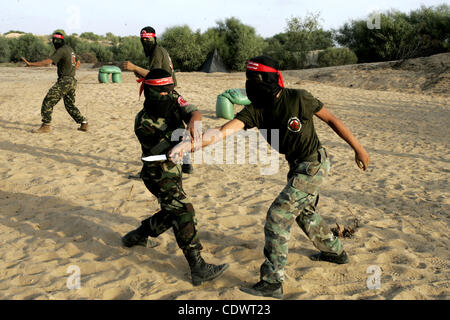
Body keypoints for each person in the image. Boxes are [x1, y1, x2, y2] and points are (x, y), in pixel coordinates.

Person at [168, 56, 370, 299]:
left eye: (257, 78)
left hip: (314, 164)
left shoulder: (298, 98)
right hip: (296, 166)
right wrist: (190, 145)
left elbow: (332, 120)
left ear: (271, 79)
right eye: (249, 78)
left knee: (278, 216)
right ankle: (335, 252)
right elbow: (222, 132)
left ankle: (272, 282)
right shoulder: (256, 110)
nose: (252, 83)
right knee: (304, 213)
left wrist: (358, 148)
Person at [121, 68, 229, 286]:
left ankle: (138, 235)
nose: (166, 95)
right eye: (160, 92)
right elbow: (171, 149)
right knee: (183, 210)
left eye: (168, 91)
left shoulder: (172, 97)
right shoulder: (144, 121)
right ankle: (197, 266)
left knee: (171, 212)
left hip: (174, 170)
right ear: (150, 92)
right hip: (157, 172)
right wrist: (189, 143)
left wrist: (194, 123)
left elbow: (192, 110)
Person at [122, 26, 193, 174]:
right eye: (143, 39)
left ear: (154, 38)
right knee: (175, 124)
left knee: (148, 129)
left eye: (148, 39)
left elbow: (155, 75)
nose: (146, 41)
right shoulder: (160, 50)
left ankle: (149, 169)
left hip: (162, 93)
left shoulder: (155, 51)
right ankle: (186, 163)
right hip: (168, 91)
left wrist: (134, 67)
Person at [21, 32, 88, 133]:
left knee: (48, 101)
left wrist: (31, 64)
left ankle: (46, 126)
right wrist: (72, 70)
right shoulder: (69, 49)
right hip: (72, 80)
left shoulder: (61, 50)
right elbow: (78, 61)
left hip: (65, 81)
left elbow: (48, 61)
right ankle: (84, 123)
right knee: (70, 105)